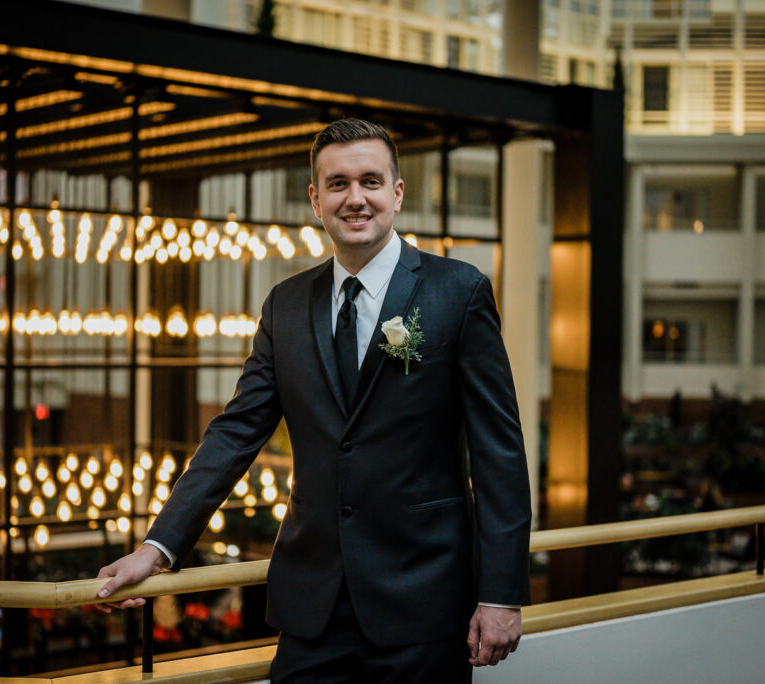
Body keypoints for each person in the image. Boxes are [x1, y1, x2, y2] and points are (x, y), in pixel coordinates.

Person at [96, 118, 531, 682]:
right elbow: (235, 432)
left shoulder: (459, 290)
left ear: (397, 193)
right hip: (312, 607)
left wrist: (501, 593)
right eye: (337, 184)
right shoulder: (286, 304)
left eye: (371, 181)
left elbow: (499, 451)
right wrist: (157, 547)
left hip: (424, 600)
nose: (355, 198)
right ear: (315, 198)